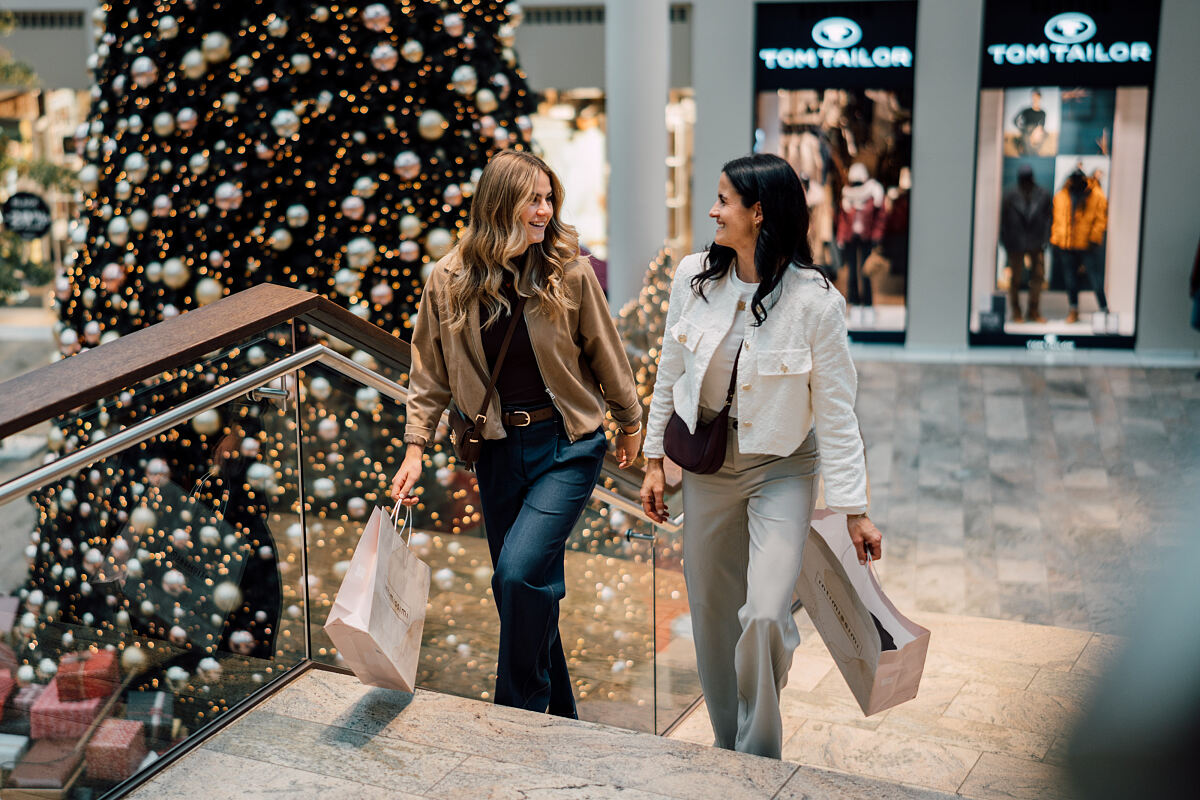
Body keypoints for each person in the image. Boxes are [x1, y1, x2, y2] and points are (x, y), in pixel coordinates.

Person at [639, 153, 882, 759]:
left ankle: (758, 755)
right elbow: (670, 371)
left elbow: (836, 411)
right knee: (713, 615)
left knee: (767, 614)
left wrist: (855, 509)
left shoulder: (816, 302)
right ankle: (729, 745)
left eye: (724, 200)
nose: (713, 211)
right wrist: (651, 459)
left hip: (783, 467)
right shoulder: (693, 276)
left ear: (759, 212)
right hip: (709, 467)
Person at [391, 150, 643, 718]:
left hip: (566, 446)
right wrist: (415, 447)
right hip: (498, 451)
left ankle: (514, 717)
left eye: (549, 198)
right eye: (533, 198)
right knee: (523, 592)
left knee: (517, 572)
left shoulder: (567, 271)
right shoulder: (450, 279)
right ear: (500, 203)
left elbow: (606, 352)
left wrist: (630, 422)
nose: (544, 210)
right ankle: (563, 717)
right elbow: (428, 371)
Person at [1051, 168, 1107, 324]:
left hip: (1087, 245)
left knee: (1095, 279)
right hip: (1067, 245)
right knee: (1071, 280)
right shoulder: (1062, 196)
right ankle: (1073, 310)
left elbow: (1100, 219)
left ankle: (1104, 309)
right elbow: (1058, 220)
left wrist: (1094, 238)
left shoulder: (1095, 195)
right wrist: (1057, 240)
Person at [999, 164, 1052, 323]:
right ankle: (1016, 311)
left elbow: (1049, 219)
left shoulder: (1042, 195)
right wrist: (1005, 240)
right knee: (1015, 278)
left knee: (1038, 277)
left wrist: (1045, 239)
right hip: (1016, 241)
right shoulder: (1010, 196)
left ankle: (1033, 311)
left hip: (1036, 241)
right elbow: (1003, 221)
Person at [1014, 90, 1047, 155]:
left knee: (1035, 152)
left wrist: (1036, 132)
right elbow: (1015, 121)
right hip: (1027, 133)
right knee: (1027, 152)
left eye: (1036, 96)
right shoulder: (1026, 111)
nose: (1035, 98)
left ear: (1040, 97)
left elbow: (1042, 126)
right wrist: (1023, 130)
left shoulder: (1043, 113)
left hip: (1038, 134)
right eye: (1033, 96)